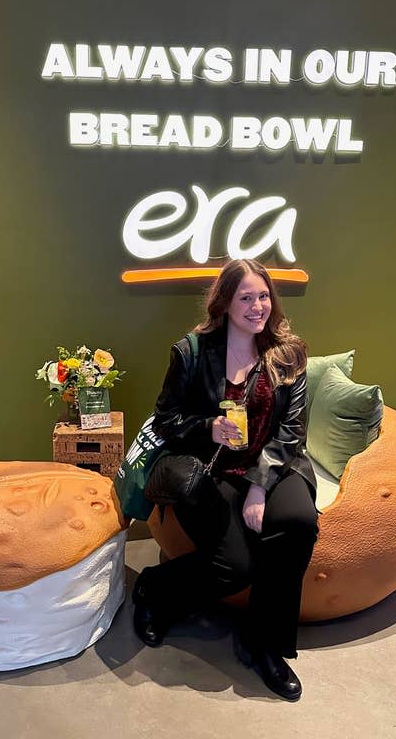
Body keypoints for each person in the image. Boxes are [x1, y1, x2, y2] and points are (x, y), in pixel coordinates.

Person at [133, 258, 318, 702]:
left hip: (274, 462)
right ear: (225, 302)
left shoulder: (287, 353)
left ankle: (265, 646)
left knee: (297, 523)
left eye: (264, 296)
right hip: (210, 468)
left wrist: (259, 487)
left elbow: (291, 431)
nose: (258, 306)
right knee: (235, 567)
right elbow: (166, 418)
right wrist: (207, 427)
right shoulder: (192, 351)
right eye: (246, 297)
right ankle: (156, 592)